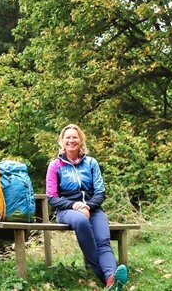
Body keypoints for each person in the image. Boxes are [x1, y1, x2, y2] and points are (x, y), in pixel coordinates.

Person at [46, 124, 129, 290]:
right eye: (67, 137)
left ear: (81, 140)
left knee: (103, 241)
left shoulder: (91, 163)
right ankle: (107, 276)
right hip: (66, 211)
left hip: (93, 209)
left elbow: (100, 192)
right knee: (81, 221)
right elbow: (52, 198)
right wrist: (75, 205)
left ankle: (111, 278)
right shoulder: (55, 165)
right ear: (62, 141)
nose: (71, 140)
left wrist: (88, 206)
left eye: (74, 137)